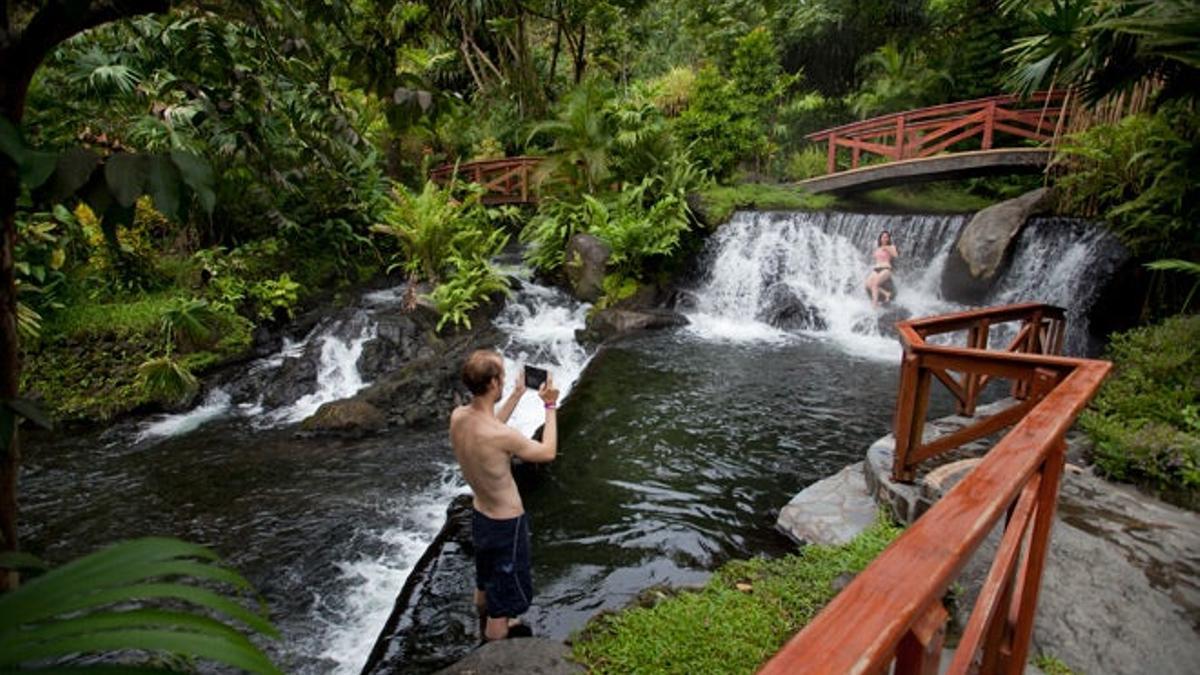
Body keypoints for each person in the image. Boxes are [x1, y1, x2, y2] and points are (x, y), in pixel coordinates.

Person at [450, 349, 560, 642]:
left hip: (481, 515)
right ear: (494, 383)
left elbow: (488, 425)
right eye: (502, 374)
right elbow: (547, 452)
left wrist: (516, 395)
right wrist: (550, 406)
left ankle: (481, 619)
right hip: (506, 524)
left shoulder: (459, 417)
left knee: (485, 580)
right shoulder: (502, 437)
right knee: (504, 604)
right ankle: (494, 643)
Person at [864, 230, 900, 307]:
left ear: (888, 239)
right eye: (883, 237)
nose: (884, 239)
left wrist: (887, 248)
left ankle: (874, 304)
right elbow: (876, 259)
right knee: (867, 284)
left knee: (875, 284)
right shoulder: (878, 248)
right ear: (880, 238)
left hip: (886, 268)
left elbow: (895, 255)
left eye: (886, 237)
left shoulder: (891, 247)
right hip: (876, 269)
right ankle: (886, 293)